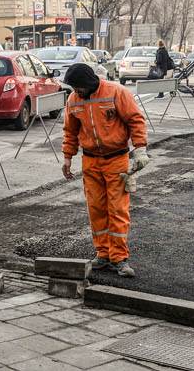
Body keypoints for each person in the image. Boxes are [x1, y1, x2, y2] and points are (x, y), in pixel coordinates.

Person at [62, 63, 149, 278]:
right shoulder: (74, 100)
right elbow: (70, 131)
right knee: (96, 209)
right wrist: (67, 157)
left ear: (88, 82)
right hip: (91, 162)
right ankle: (103, 254)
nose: (76, 91)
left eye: (78, 87)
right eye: (74, 88)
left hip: (116, 160)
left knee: (117, 210)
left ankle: (119, 257)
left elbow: (135, 120)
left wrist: (140, 150)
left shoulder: (116, 92)